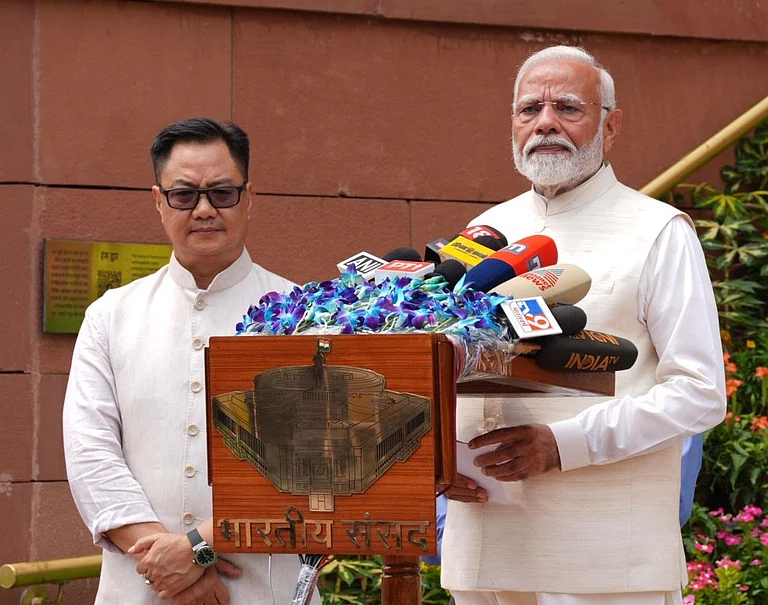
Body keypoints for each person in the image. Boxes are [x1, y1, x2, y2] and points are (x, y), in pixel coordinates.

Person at [439, 46, 726, 605]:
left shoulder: (659, 231)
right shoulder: (483, 232)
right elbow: (450, 366)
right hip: (485, 546)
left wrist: (563, 444)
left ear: (611, 126)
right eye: (529, 109)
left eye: (568, 107)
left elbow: (700, 393)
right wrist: (438, 459)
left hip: (606, 558)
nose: (545, 123)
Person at [63, 118, 319, 604]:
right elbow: (90, 453)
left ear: (249, 197)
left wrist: (197, 548)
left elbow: (312, 461)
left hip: (263, 587)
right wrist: (165, 563)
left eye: (222, 193)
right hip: (140, 586)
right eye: (184, 195)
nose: (204, 209)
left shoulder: (303, 313)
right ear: (158, 201)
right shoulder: (111, 315)